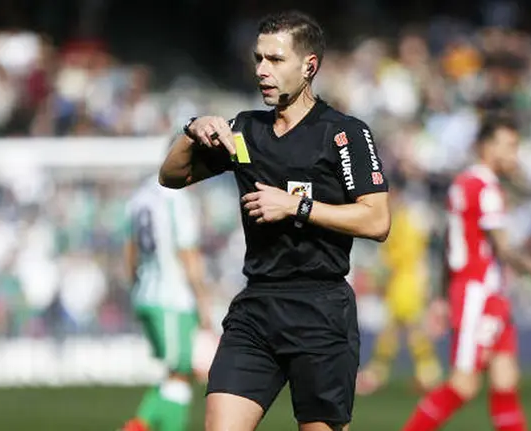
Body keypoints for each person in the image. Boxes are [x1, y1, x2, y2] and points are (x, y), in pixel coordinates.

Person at [159, 10, 391, 431]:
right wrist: (192, 130)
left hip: (320, 309)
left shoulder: (344, 133)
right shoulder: (246, 130)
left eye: (275, 59)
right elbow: (172, 177)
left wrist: (296, 206)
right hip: (257, 307)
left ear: (309, 66)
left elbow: (377, 221)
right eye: (258, 58)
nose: (262, 70)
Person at [400, 117, 531, 431]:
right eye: (509, 145)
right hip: (477, 293)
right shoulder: (485, 187)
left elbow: (451, 245)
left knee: (505, 380)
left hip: (482, 291)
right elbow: (504, 249)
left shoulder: (464, 184)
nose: (514, 153)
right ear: (487, 147)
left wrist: (444, 294)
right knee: (464, 384)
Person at [120, 176, 215, 431]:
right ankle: (141, 427)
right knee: (181, 372)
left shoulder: (139, 196)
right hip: (172, 298)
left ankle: (141, 425)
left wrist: (136, 289)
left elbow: (129, 251)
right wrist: (203, 302)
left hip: (146, 294)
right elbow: (187, 253)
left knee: (176, 373)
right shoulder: (175, 198)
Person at [356, 187, 443, 395]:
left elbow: (399, 256)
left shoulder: (402, 222)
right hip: (404, 282)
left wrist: (381, 273)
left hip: (405, 283)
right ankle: (423, 372)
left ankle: (424, 372)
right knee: (396, 329)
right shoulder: (403, 220)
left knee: (408, 328)